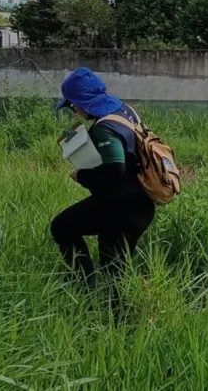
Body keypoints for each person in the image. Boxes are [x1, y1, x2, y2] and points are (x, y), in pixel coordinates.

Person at [51, 67, 156, 290]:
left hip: (123, 207)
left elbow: (115, 170)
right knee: (114, 265)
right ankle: (107, 303)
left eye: (72, 106)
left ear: (80, 103)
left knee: (62, 227)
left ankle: (87, 290)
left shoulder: (104, 127)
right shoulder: (124, 110)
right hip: (140, 201)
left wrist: (83, 176)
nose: (74, 111)